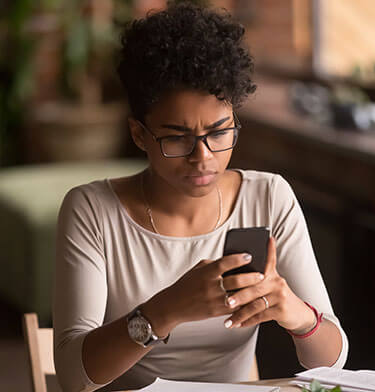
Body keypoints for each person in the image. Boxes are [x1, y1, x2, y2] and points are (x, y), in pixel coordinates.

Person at [53, 2, 348, 391]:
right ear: (139, 134)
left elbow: (333, 363)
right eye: (178, 137)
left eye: (219, 132)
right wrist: (165, 310)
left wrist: (295, 313)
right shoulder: (92, 211)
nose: (203, 157)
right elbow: (75, 378)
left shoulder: (268, 197)